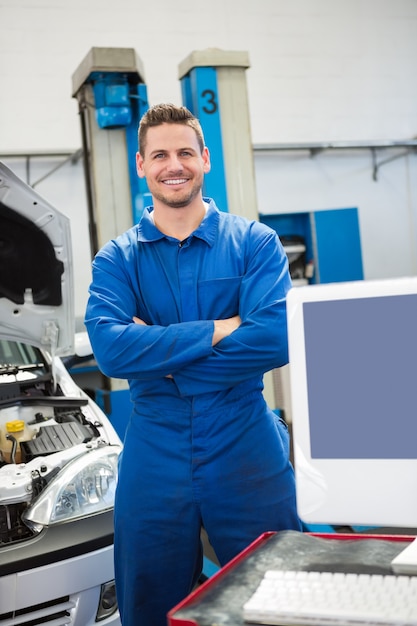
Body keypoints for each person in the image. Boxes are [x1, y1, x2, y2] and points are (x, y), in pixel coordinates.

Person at [85, 103, 302, 626]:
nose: (173, 164)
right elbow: (112, 351)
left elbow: (274, 338)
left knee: (281, 595)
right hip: (155, 451)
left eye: (185, 152)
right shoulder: (117, 259)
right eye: (159, 154)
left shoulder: (255, 243)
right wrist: (218, 328)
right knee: (148, 602)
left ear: (205, 159)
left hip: (244, 442)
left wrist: (158, 359)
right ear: (141, 164)